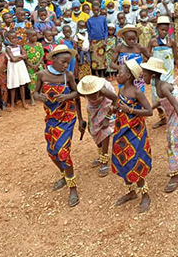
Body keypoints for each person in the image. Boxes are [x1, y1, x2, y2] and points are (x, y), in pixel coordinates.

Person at [34, 45, 83, 208]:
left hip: (67, 117)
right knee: (51, 151)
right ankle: (64, 174)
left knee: (62, 151)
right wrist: (39, 96)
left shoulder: (67, 76)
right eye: (63, 62)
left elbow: (77, 94)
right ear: (53, 59)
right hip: (51, 118)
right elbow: (34, 93)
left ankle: (73, 188)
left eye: (68, 63)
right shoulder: (42, 75)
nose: (65, 66)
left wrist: (67, 96)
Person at [141, 57, 178, 193]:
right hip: (176, 114)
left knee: (173, 142)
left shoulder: (162, 87)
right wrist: (150, 109)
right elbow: (162, 102)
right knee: (173, 139)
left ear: (152, 76)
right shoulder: (158, 85)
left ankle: (175, 175)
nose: (142, 76)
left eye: (144, 74)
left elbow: (176, 105)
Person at [111, 59, 153, 214]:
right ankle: (131, 191)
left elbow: (149, 111)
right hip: (120, 130)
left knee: (135, 160)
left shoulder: (136, 92)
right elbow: (119, 107)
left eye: (119, 72)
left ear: (128, 76)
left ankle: (145, 194)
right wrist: (113, 109)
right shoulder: (121, 90)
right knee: (122, 158)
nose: (117, 74)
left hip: (135, 132)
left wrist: (130, 110)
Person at [77, 75, 117, 178]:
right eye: (90, 95)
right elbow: (75, 99)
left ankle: (104, 160)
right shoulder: (81, 91)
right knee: (92, 130)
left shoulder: (103, 90)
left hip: (107, 105)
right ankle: (101, 153)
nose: (94, 95)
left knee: (105, 131)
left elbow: (115, 100)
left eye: (95, 93)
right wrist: (80, 119)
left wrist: (107, 118)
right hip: (93, 108)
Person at [5, 30, 31, 109]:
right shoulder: (8, 48)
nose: (14, 40)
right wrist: (21, 57)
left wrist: (17, 57)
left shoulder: (19, 47)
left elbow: (26, 55)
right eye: (11, 38)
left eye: (15, 38)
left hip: (20, 67)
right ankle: (12, 104)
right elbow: (12, 59)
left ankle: (23, 102)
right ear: (7, 39)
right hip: (13, 67)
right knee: (13, 85)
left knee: (22, 84)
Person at [87, 0, 108, 77]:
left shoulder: (103, 19)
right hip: (94, 42)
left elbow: (106, 30)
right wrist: (90, 44)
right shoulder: (89, 20)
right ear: (92, 10)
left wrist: (105, 40)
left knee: (102, 59)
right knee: (95, 59)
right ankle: (96, 74)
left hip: (102, 41)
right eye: (94, 10)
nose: (96, 12)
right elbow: (89, 32)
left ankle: (102, 74)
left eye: (97, 10)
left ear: (99, 9)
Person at [24, 29, 44, 104]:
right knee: (32, 82)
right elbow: (25, 59)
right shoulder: (25, 47)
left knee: (40, 80)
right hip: (30, 67)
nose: (35, 37)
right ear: (28, 37)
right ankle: (32, 98)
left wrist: (38, 64)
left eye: (36, 35)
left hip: (39, 65)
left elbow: (42, 55)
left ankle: (40, 95)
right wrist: (32, 65)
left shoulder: (39, 44)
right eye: (33, 36)